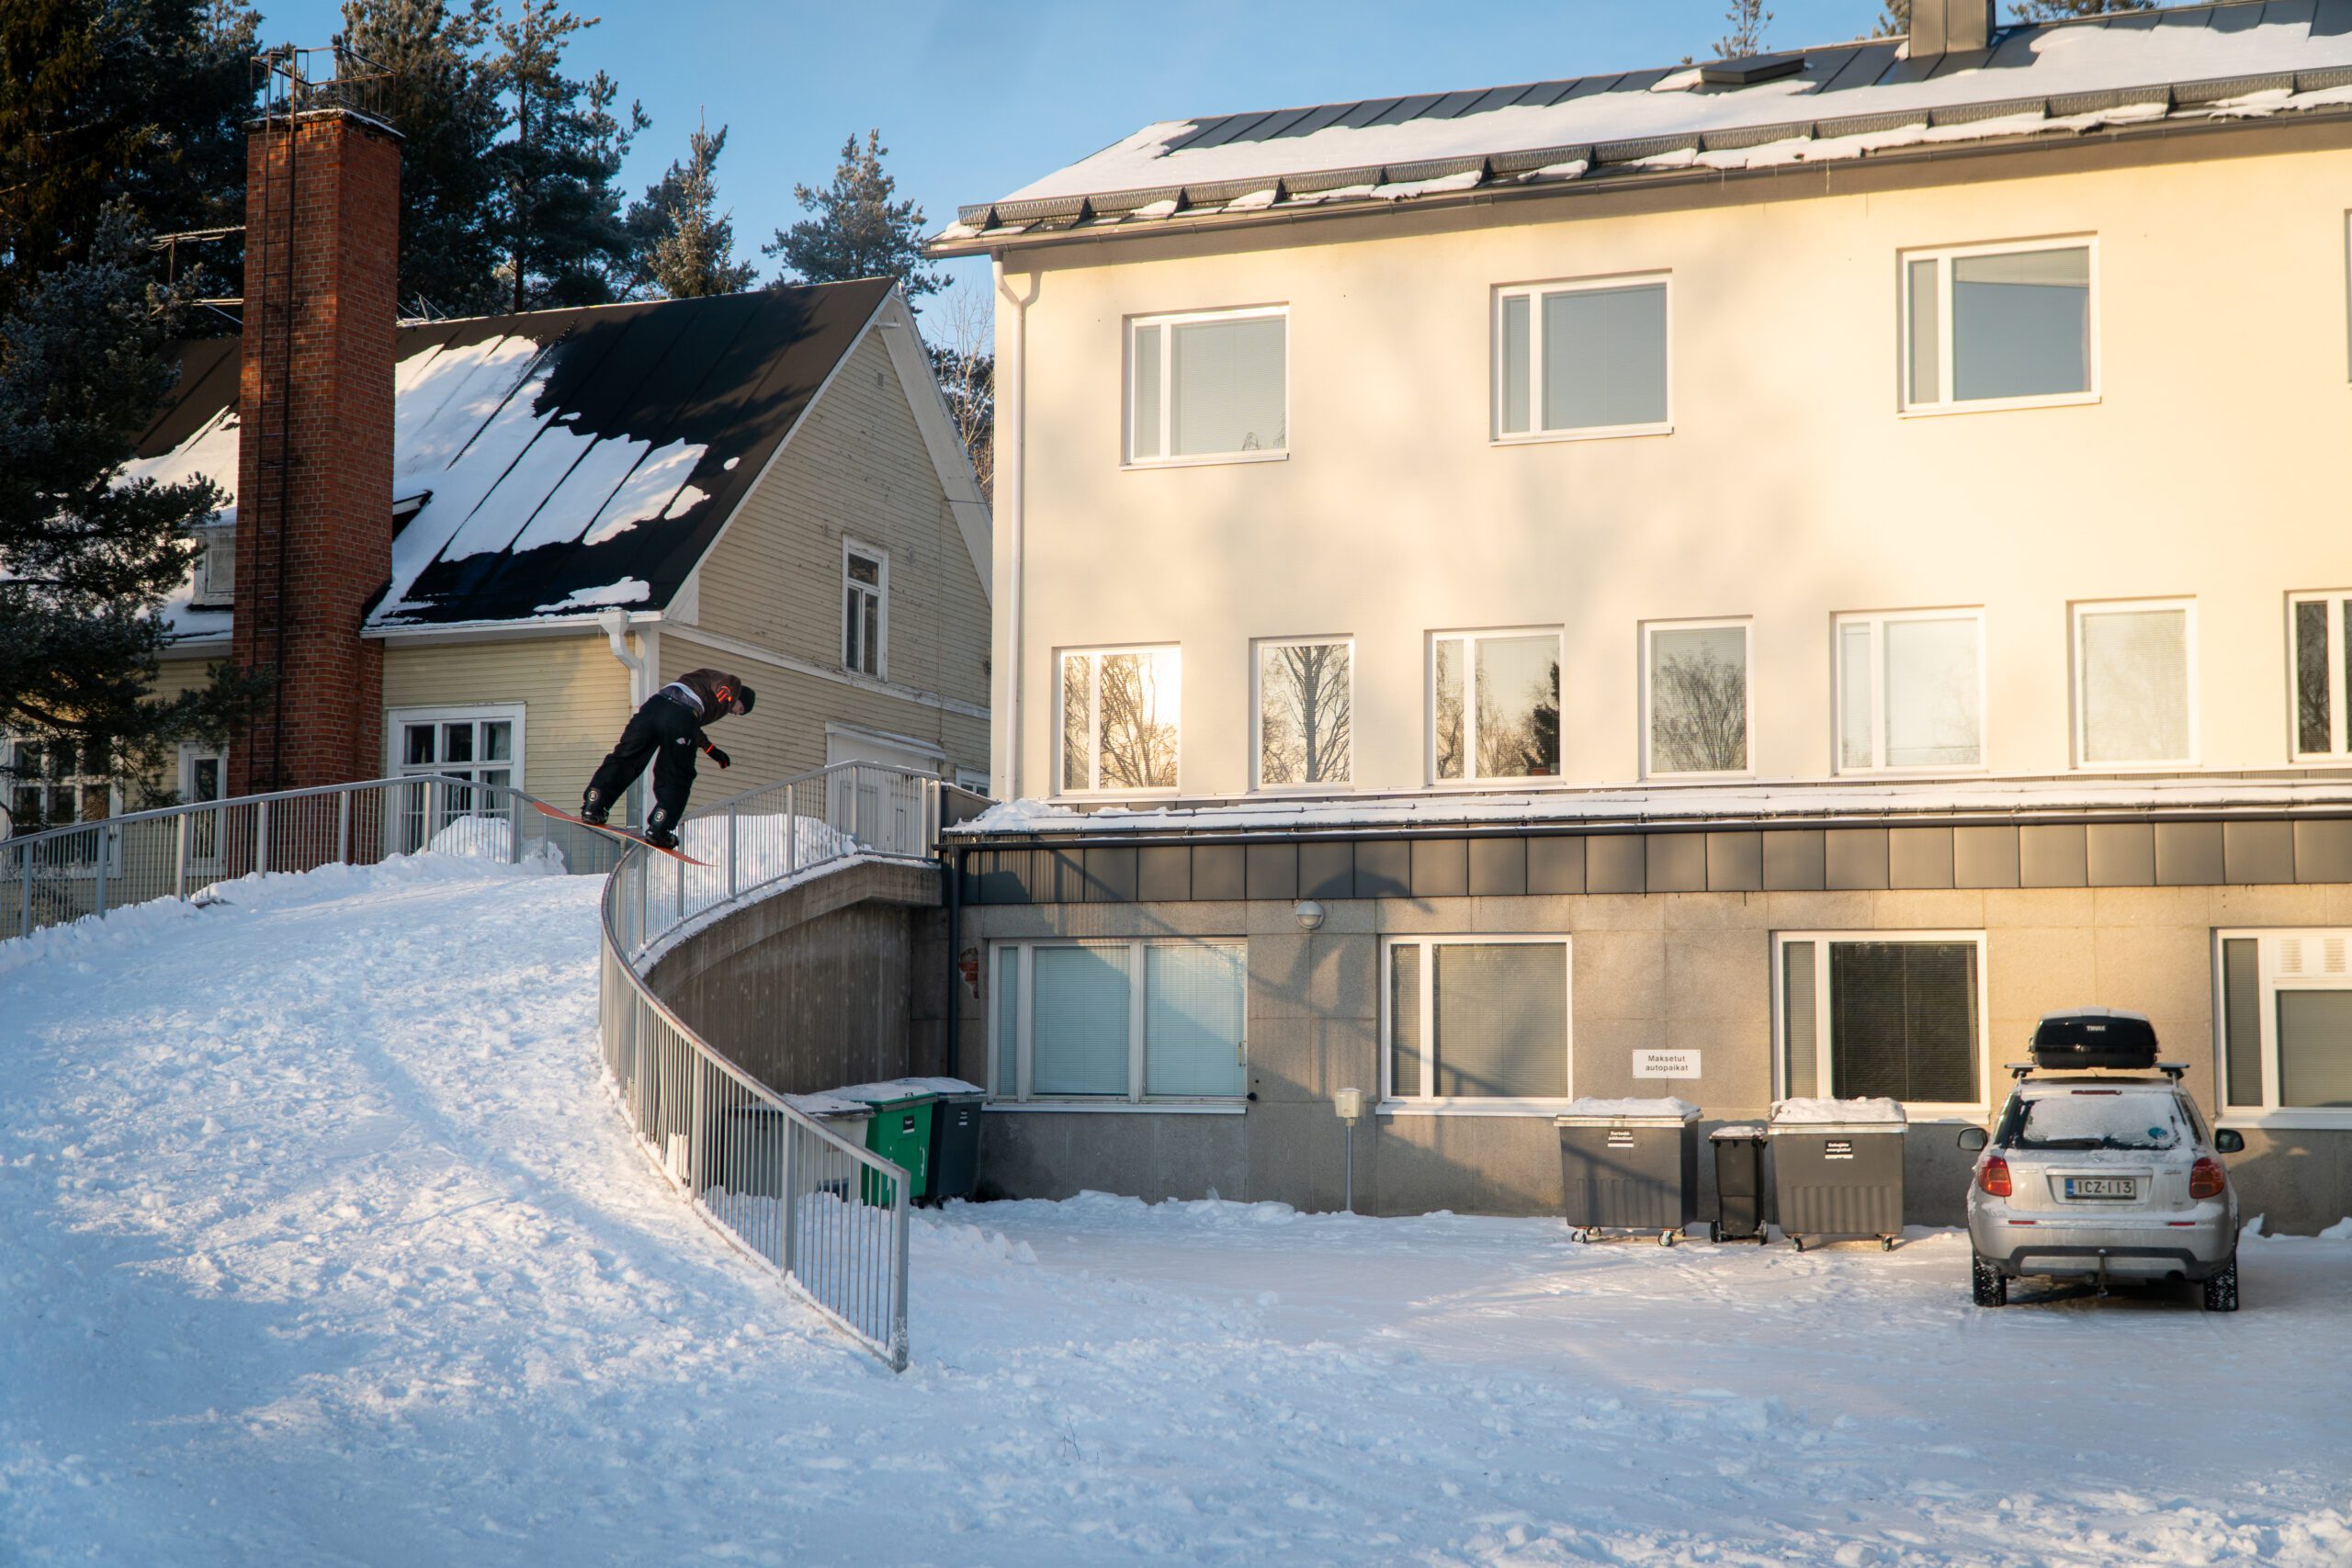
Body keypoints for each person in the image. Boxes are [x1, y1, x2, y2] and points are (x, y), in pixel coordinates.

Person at [581, 669, 755, 849]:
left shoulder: (702, 689)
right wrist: (728, 690)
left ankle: (595, 804)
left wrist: (710, 749)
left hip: (653, 708)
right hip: (680, 716)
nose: (735, 712)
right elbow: (730, 682)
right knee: (676, 773)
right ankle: (660, 828)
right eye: (740, 709)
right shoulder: (727, 688)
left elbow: (692, 725)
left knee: (626, 758)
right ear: (739, 697)